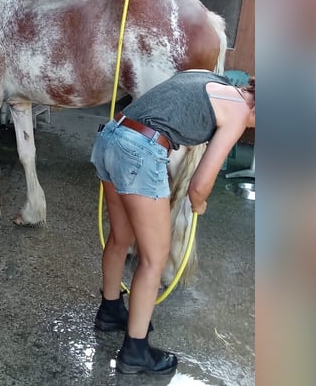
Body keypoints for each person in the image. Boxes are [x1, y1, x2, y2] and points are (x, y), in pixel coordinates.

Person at [90, 69, 255, 375]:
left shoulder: (212, 79)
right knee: (155, 259)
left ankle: (110, 310)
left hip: (110, 136)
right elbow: (200, 185)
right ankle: (135, 351)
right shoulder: (239, 113)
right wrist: (199, 202)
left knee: (119, 238)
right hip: (139, 151)